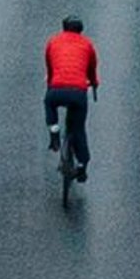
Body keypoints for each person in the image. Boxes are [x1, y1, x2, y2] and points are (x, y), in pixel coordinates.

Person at [44, 15, 99, 179]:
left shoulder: (53, 42)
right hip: (78, 92)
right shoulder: (87, 45)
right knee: (78, 129)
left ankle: (54, 130)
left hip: (57, 88)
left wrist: (51, 81)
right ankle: (82, 165)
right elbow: (92, 69)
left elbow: (49, 65)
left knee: (49, 103)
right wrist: (94, 83)